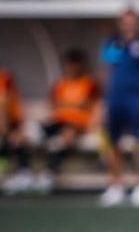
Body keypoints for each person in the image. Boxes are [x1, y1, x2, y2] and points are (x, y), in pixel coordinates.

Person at [6, 48, 102, 194]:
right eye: (69, 64)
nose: (71, 68)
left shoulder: (90, 83)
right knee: (21, 134)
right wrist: (72, 105)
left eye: (75, 64)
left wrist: (90, 126)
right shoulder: (61, 84)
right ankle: (24, 173)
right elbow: (52, 105)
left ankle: (48, 174)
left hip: (76, 124)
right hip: (57, 121)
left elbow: (95, 106)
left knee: (63, 139)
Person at [100, 9, 139, 206]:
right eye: (125, 22)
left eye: (132, 22)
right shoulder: (113, 43)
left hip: (136, 99)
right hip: (116, 98)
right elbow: (109, 68)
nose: (129, 25)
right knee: (114, 142)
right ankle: (116, 185)